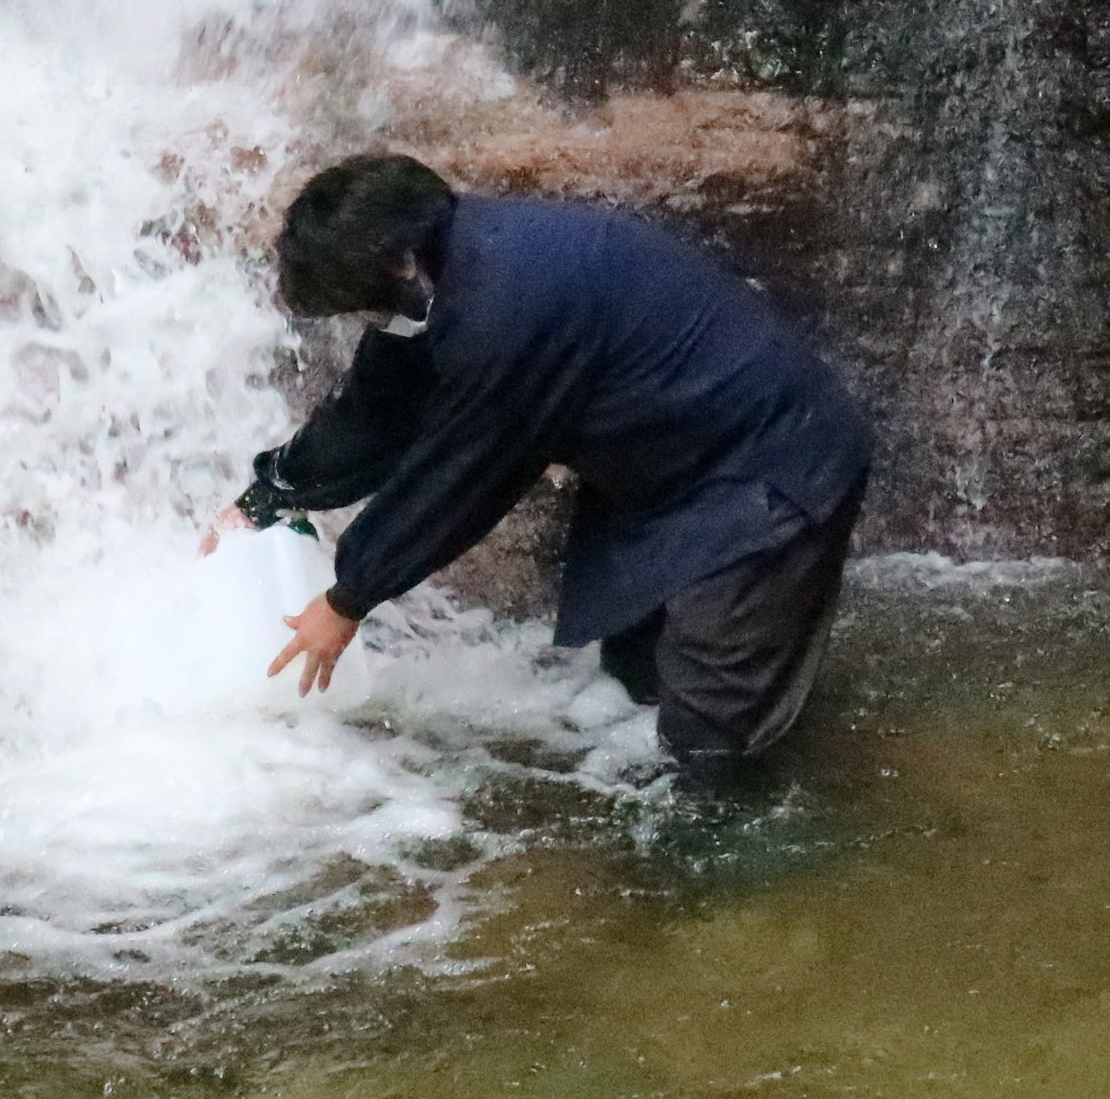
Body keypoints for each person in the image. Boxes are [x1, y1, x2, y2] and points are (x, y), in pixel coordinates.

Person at [220, 154, 875, 767]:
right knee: (636, 677)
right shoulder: (446, 265)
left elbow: (464, 475)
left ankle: (731, 877)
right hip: (665, 470)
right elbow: (374, 411)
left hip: (766, 467)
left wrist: (347, 598)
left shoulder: (505, 302)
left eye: (359, 305)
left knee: (711, 740)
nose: (365, 320)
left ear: (396, 266)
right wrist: (272, 490)